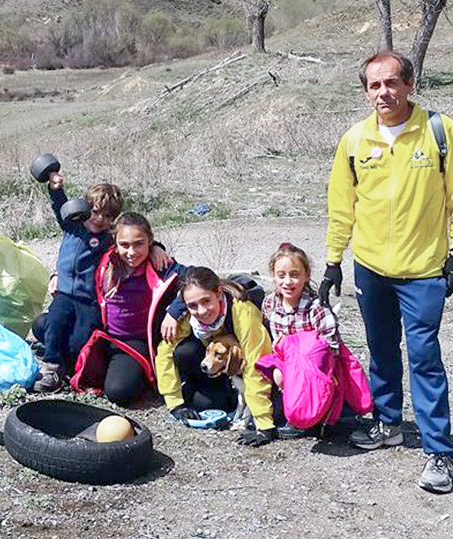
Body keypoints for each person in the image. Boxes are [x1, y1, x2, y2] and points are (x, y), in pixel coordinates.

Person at [320, 50, 453, 493]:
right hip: (371, 269)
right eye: (374, 85)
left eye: (391, 83)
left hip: (424, 270)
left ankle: (439, 453)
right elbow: (341, 208)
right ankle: (387, 424)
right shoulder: (355, 140)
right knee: (382, 349)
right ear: (366, 91)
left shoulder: (439, 132)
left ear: (410, 84)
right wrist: (334, 261)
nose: (383, 93)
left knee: (425, 358)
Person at [33, 175, 171, 392]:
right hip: (65, 295)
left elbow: (135, 237)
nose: (99, 219)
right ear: (86, 208)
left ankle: (74, 366)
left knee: (79, 340)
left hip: (90, 300)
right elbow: (61, 205)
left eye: (107, 216)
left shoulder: (108, 239)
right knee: (53, 323)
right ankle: (52, 367)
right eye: (95, 211)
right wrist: (55, 188)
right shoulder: (73, 224)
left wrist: (156, 247)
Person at [68, 213, 186, 407]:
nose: (131, 252)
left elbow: (196, 278)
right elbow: (74, 254)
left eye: (139, 244)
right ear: (115, 241)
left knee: (119, 392)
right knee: (45, 325)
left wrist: (174, 311)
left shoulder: (159, 265)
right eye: (125, 245)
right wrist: (55, 275)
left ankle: (136, 371)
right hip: (104, 335)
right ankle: (104, 365)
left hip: (134, 342)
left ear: (150, 241)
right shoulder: (106, 260)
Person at [154, 266, 276, 446]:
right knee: (185, 355)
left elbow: (256, 363)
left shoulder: (243, 312)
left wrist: (264, 424)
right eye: (193, 305)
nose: (201, 311)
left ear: (218, 293)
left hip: (242, 364)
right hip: (221, 365)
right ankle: (209, 390)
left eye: (206, 301)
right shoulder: (188, 314)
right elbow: (165, 353)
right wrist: (175, 404)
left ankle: (237, 397)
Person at [263, 242, 340, 388]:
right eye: (281, 275)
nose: (287, 282)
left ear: (307, 275)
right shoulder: (270, 304)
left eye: (294, 275)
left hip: (314, 367)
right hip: (285, 364)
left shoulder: (316, 308)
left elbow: (332, 347)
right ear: (273, 275)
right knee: (276, 374)